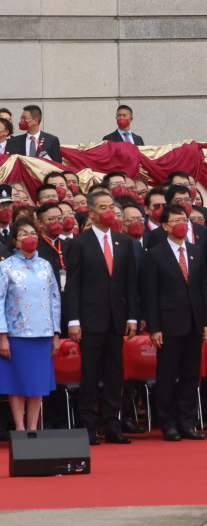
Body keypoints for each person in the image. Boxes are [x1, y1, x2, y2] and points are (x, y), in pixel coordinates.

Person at [62, 189, 138, 445]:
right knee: (91, 375)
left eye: (112, 206)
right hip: (89, 320)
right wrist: (74, 321)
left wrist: (132, 317)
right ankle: (88, 426)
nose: (110, 211)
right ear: (92, 212)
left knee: (115, 374)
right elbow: (72, 285)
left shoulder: (124, 242)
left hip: (116, 319)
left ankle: (112, 425)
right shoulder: (78, 243)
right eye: (103, 207)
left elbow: (130, 283)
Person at [139, 205, 207, 441]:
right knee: (167, 375)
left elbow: (203, 287)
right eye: (176, 220)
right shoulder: (155, 253)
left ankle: (187, 422)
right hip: (168, 324)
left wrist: (206, 321)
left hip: (194, 322)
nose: (182, 223)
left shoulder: (197, 250)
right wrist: (154, 327)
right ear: (165, 226)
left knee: (191, 376)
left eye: (185, 219)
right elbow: (150, 293)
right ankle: (168, 423)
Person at [0, 214, 61, 432]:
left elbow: (55, 299)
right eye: (24, 234)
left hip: (42, 334)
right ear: (14, 240)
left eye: (33, 233)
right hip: (16, 335)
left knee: (38, 385)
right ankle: (19, 427)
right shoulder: (6, 266)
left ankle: (33, 428)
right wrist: (2, 336)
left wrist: (55, 333)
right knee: (17, 384)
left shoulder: (45, 265)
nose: (30, 237)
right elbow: (0, 302)